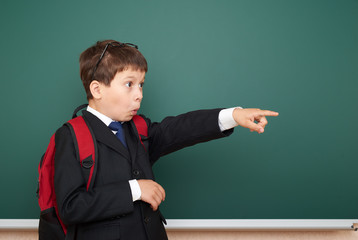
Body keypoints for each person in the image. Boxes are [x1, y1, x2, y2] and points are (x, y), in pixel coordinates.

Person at [54, 40, 279, 240]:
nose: (139, 93)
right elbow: (71, 207)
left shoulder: (138, 129)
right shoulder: (71, 136)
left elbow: (181, 128)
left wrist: (233, 116)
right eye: (129, 84)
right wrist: (135, 190)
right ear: (97, 89)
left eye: (141, 84)